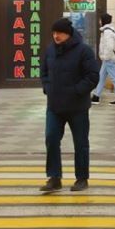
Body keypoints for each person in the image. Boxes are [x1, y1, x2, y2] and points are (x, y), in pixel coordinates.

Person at [39, 17, 100, 193]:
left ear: (68, 34)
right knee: (51, 138)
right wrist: (47, 87)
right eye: (54, 33)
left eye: (59, 33)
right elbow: (44, 72)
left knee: (80, 143)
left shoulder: (84, 51)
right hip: (55, 106)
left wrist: (76, 91)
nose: (55, 36)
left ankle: (81, 178)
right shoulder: (51, 50)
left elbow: (92, 76)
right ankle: (54, 178)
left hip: (77, 107)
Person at [91, 12, 115, 105]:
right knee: (101, 77)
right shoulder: (107, 31)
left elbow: (109, 46)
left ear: (103, 21)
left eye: (100, 20)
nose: (99, 21)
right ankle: (95, 97)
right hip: (108, 59)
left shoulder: (107, 32)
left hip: (109, 59)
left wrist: (105, 57)